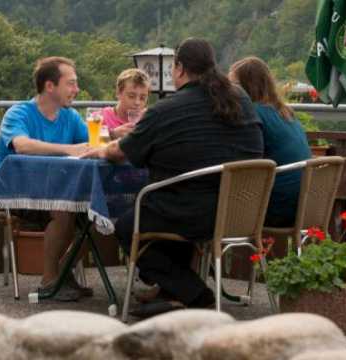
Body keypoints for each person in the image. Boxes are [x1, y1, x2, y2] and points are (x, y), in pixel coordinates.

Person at [82, 38, 264, 317]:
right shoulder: (240, 99)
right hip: (241, 210)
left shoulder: (166, 109)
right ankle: (173, 294)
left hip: (192, 212)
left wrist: (100, 149)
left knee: (128, 226)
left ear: (178, 69)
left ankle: (194, 293)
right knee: (167, 207)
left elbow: (120, 153)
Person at [0, 56, 91, 301]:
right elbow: (22, 145)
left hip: (57, 188)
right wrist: (69, 149)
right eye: (71, 84)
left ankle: (62, 272)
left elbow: (92, 144)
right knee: (62, 207)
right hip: (15, 191)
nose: (77, 90)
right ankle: (49, 281)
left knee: (100, 214)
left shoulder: (69, 116)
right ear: (50, 86)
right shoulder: (19, 113)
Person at [229, 57, 311, 227]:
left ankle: (216, 253)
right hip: (302, 204)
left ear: (248, 86)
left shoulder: (253, 114)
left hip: (276, 207)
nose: (229, 90)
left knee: (211, 208)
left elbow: (242, 162)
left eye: (234, 85)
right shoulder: (284, 111)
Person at [99, 69, 151, 139]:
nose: (137, 102)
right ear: (118, 93)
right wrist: (112, 135)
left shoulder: (149, 119)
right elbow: (87, 144)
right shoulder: (101, 117)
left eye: (142, 98)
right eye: (131, 96)